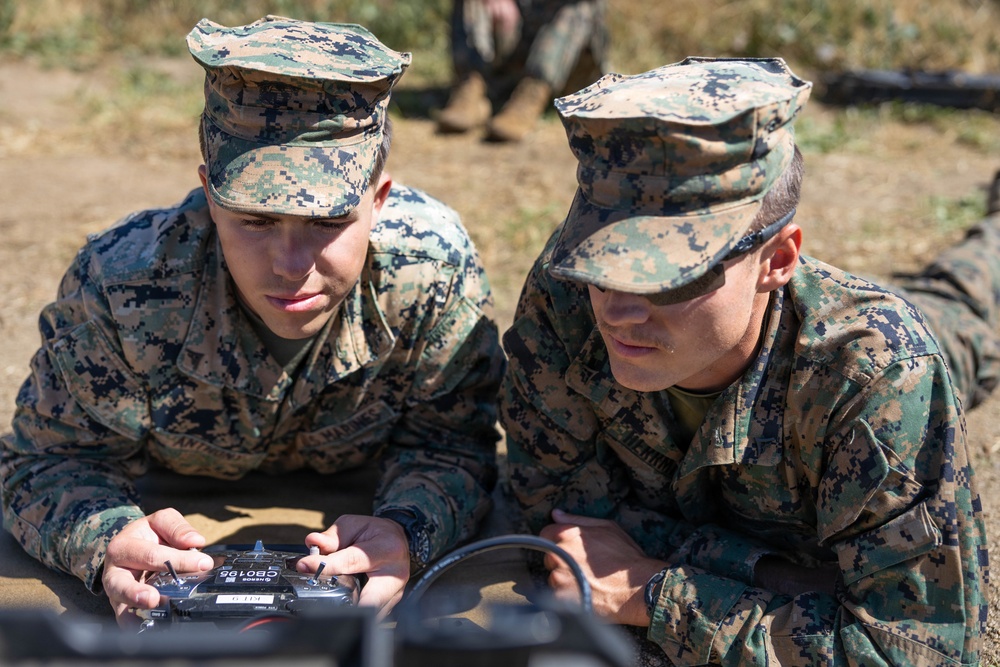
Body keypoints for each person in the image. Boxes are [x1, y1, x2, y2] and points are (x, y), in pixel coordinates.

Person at [0, 16, 505, 626]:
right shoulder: (123, 284)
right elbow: (46, 461)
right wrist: (104, 538)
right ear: (210, 195)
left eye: (327, 223)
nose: (290, 267)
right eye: (256, 221)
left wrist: (408, 529)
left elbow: (452, 447)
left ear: (378, 199)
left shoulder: (430, 272)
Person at [498, 57, 990, 664]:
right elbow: (549, 511)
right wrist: (786, 577)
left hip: (890, 352)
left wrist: (655, 589)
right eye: (601, 262)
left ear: (778, 259)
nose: (619, 311)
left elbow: (917, 649)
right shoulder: (566, 296)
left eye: (668, 277)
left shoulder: (880, 377)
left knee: (965, 303)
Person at [436, 0, 607, 142]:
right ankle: (471, 87)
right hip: (516, 45)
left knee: (578, 6)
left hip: (572, 65)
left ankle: (531, 96)